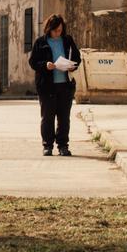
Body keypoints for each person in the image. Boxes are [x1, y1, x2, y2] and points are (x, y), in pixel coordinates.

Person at [28, 14, 82, 157]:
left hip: (65, 85)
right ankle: (48, 145)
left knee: (64, 117)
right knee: (47, 117)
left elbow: (76, 57)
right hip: (46, 86)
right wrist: (46, 65)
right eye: (55, 30)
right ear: (49, 29)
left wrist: (72, 66)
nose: (58, 33)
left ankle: (63, 146)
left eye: (60, 30)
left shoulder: (67, 41)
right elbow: (33, 62)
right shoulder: (40, 42)